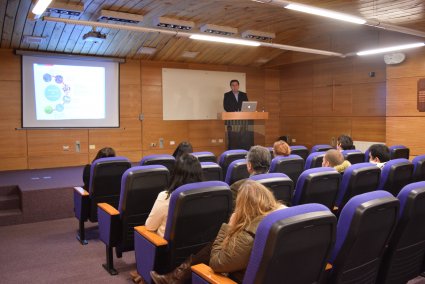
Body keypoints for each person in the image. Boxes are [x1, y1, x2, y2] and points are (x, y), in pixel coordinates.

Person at [150, 180, 285, 284]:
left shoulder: (249, 235)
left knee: (213, 248)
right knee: (212, 246)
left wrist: (228, 226)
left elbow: (216, 263)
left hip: (236, 278)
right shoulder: (280, 220)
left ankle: (175, 277)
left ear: (244, 207)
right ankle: (175, 276)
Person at [145, 153, 203, 237]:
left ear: (175, 173)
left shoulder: (166, 197)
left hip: (167, 247)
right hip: (198, 247)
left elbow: (150, 226)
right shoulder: (205, 195)